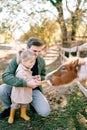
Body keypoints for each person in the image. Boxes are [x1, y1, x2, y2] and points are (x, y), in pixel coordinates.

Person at [0, 37, 50, 120]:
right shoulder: (18, 59)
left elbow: (43, 75)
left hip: (33, 89)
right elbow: (6, 76)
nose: (37, 54)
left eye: (39, 51)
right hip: (17, 88)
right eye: (34, 51)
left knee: (45, 112)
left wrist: (39, 78)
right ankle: (9, 108)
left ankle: (30, 103)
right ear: (27, 48)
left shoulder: (41, 61)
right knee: (2, 89)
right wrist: (25, 83)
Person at [8, 50, 41, 124]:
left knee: (24, 103)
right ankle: (11, 116)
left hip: (25, 91)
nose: (33, 64)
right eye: (31, 62)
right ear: (23, 61)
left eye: (34, 61)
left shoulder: (26, 67)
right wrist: (34, 82)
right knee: (15, 104)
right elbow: (25, 81)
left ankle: (23, 114)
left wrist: (34, 77)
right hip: (19, 91)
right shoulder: (21, 71)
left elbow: (28, 77)